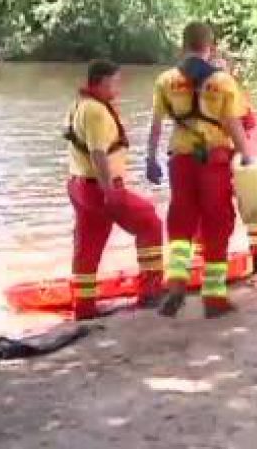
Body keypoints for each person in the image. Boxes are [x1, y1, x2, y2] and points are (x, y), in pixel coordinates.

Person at [146, 21, 255, 318]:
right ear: (212, 47)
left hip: (180, 159)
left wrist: (149, 158)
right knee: (217, 224)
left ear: (182, 46)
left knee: (181, 219)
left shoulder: (165, 80)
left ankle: (177, 281)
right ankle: (213, 296)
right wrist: (247, 155)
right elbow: (233, 123)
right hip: (214, 160)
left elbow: (156, 125)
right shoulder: (222, 82)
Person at [65, 60, 164, 321]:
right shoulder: (96, 111)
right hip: (100, 187)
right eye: (116, 81)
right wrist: (109, 190)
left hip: (79, 185)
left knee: (87, 247)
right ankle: (151, 291)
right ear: (103, 81)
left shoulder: (80, 105)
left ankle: (84, 307)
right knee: (149, 222)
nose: (120, 86)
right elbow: (98, 152)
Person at [190, 50, 257, 274]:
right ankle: (205, 258)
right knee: (213, 209)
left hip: (232, 155)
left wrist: (246, 154)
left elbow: (249, 126)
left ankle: (256, 256)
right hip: (221, 155)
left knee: (249, 205)